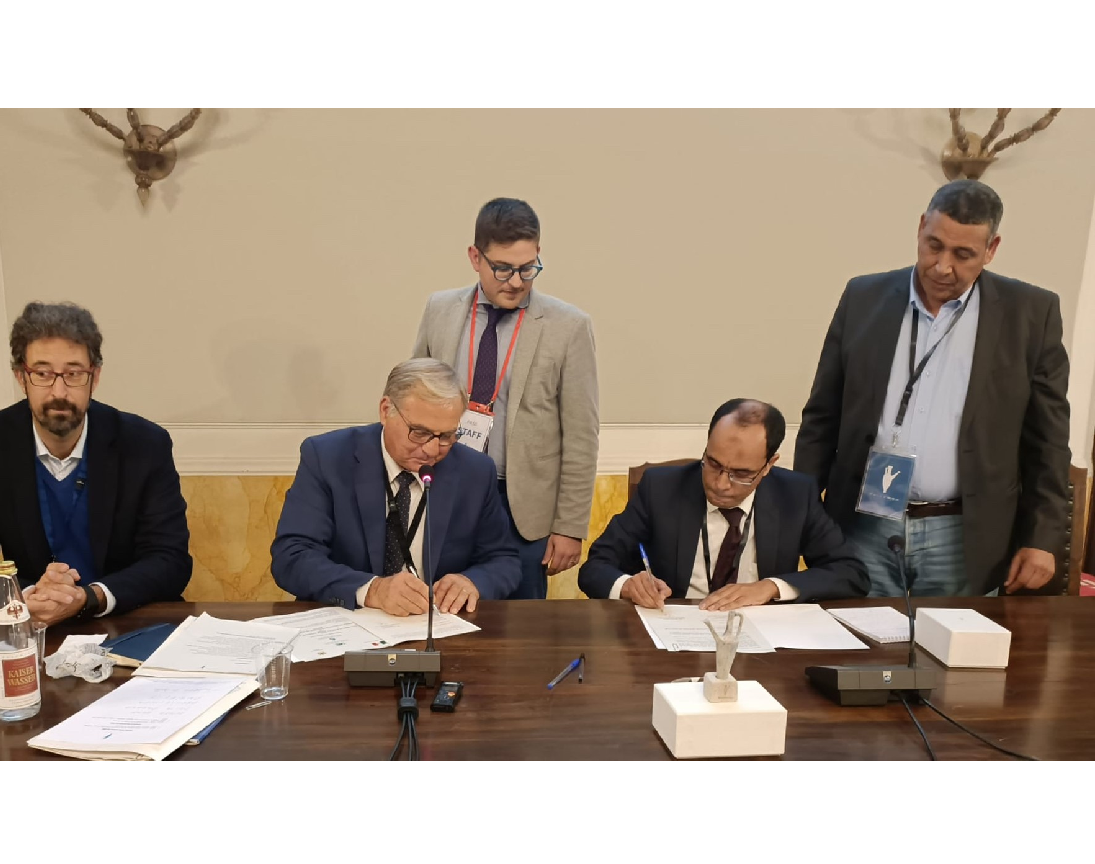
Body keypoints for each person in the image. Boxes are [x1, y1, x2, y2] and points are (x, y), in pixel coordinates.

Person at [794, 179, 1070, 597]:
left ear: (991, 249)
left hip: (964, 536)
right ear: (921, 227)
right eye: (934, 246)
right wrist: (799, 512)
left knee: (952, 642)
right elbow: (822, 416)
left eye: (963, 255)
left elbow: (1048, 440)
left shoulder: (1031, 314)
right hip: (862, 526)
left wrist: (1042, 537)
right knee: (854, 638)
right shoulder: (863, 297)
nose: (942, 266)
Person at [0, 302, 192, 621]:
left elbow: (170, 560)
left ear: (94, 377)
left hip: (124, 619)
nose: (58, 392)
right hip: (32, 622)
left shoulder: (144, 444)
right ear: (21, 377)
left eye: (74, 374)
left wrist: (90, 597)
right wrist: (25, 598)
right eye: (43, 374)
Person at [412, 197, 599, 599]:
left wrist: (570, 526)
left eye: (528, 268)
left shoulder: (569, 327)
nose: (516, 282)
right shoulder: (440, 310)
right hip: (445, 490)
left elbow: (582, 435)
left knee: (521, 624)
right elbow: (413, 401)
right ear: (474, 257)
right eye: (503, 268)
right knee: (441, 608)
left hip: (521, 509)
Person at [270, 358, 520, 614]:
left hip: (436, 624)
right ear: (385, 410)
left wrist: (472, 582)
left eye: (446, 436)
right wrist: (371, 590)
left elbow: (503, 560)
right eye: (419, 432)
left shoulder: (475, 471)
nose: (432, 450)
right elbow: (292, 556)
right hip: (346, 620)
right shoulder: (328, 458)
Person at [579, 399, 868, 608]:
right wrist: (628, 586)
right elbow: (595, 567)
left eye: (741, 474)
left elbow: (851, 573)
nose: (720, 483)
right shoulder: (661, 489)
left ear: (769, 465)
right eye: (713, 464)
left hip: (763, 636)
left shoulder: (795, 495)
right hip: (675, 631)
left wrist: (771, 587)